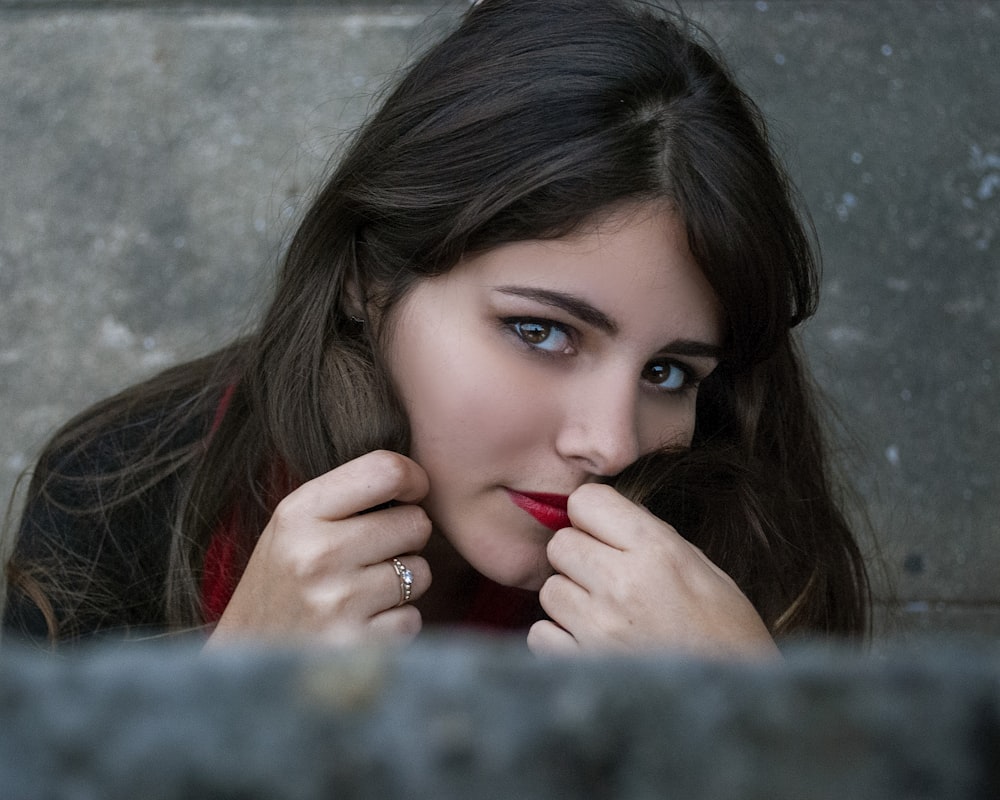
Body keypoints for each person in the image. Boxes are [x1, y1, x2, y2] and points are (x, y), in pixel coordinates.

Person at [2, 0, 870, 656]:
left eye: (670, 373)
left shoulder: (745, 549)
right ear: (364, 279)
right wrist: (228, 704)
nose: (609, 446)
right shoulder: (121, 491)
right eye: (542, 333)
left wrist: (758, 736)